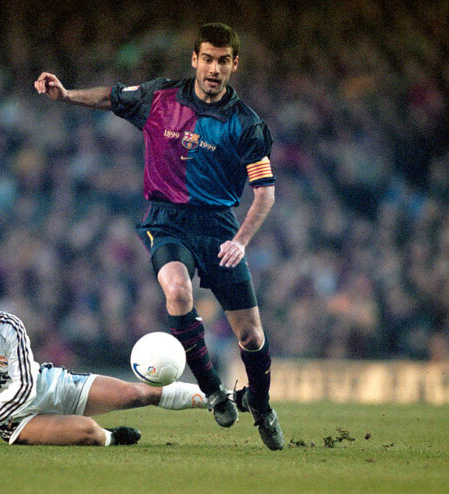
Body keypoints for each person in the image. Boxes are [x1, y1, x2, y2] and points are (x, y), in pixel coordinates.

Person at [34, 22, 283, 450]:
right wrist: (67, 95)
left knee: (251, 337)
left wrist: (240, 240)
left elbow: (265, 193)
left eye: (223, 61)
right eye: (208, 59)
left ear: (234, 65)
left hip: (220, 227)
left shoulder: (246, 124)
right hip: (167, 220)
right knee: (177, 291)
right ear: (195, 59)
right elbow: (113, 97)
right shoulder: (160, 97)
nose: (214, 69)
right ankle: (213, 391)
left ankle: (260, 404)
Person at [0, 273, 207, 447]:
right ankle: (113, 437)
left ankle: (220, 398)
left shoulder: (9, 326)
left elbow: (23, 388)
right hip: (16, 421)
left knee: (136, 392)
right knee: (89, 432)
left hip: (50, 385)